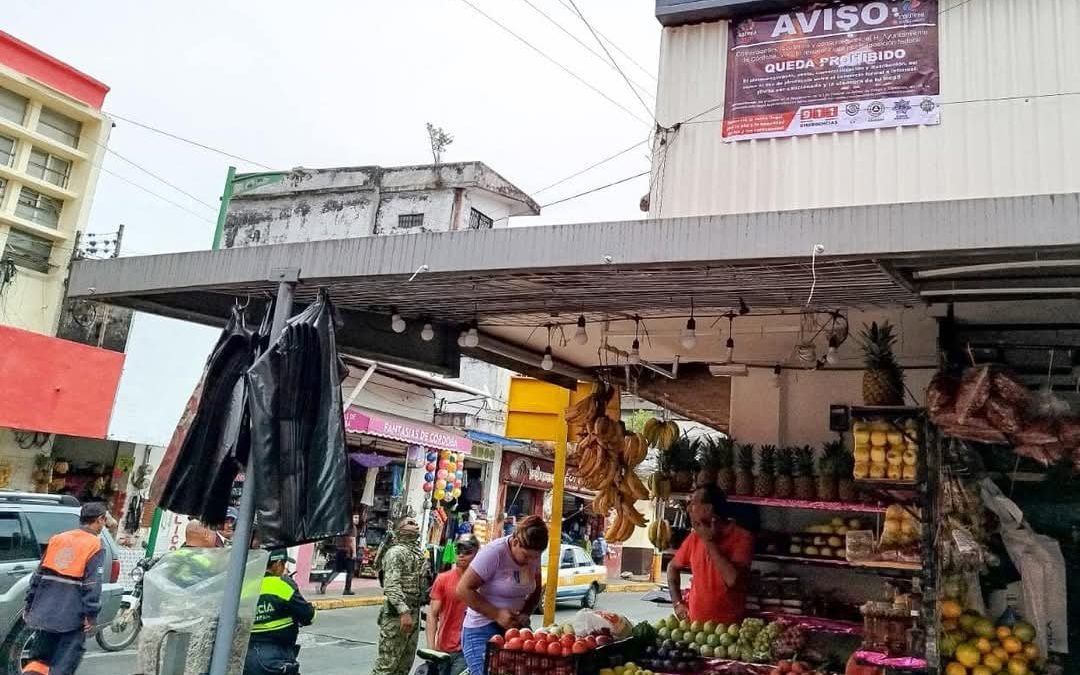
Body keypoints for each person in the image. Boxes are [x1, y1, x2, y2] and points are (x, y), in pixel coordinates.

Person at [21, 502, 108, 675]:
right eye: (104, 520)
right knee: (63, 665)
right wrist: (90, 615)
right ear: (99, 520)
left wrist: (30, 604)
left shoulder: (57, 539)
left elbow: (37, 576)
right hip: (71, 617)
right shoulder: (95, 545)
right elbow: (92, 585)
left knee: (38, 661)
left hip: (45, 613)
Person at [457, 515, 548, 675]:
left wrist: (525, 613)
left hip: (513, 629)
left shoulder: (533, 555)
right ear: (514, 542)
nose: (531, 561)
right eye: (526, 556)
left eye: (536, 557)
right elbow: (463, 589)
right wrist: (496, 614)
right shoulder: (493, 553)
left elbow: (536, 590)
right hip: (481, 630)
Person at [667, 484, 754, 625]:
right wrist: (677, 603)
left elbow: (733, 580)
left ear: (708, 509)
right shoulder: (694, 538)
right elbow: (672, 567)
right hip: (695, 628)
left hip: (728, 631)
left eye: (693, 503)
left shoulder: (742, 538)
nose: (688, 509)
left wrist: (709, 542)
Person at [371, 517, 428, 675]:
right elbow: (391, 585)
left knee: (404, 666)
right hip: (397, 617)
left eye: (415, 522)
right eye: (409, 523)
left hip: (413, 614)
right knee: (386, 666)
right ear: (399, 529)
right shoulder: (396, 552)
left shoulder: (416, 553)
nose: (415, 524)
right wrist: (404, 612)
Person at [245, 549, 316, 675]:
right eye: (283, 564)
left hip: (245, 657)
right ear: (277, 563)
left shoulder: (245, 584)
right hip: (276, 657)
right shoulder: (282, 585)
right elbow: (308, 615)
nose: (284, 568)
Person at [427, 535, 480, 675]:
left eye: (467, 552)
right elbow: (432, 615)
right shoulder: (443, 579)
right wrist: (431, 648)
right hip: (443, 649)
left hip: (467, 649)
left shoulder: (482, 583)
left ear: (476, 555)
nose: (461, 555)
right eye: (459, 550)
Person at [320, 514, 358, 595]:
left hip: (340, 550)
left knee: (336, 570)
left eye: (357, 517)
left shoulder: (341, 526)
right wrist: (354, 553)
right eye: (355, 517)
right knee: (350, 571)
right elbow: (352, 540)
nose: (356, 519)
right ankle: (347, 589)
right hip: (348, 552)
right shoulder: (352, 527)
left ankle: (326, 582)